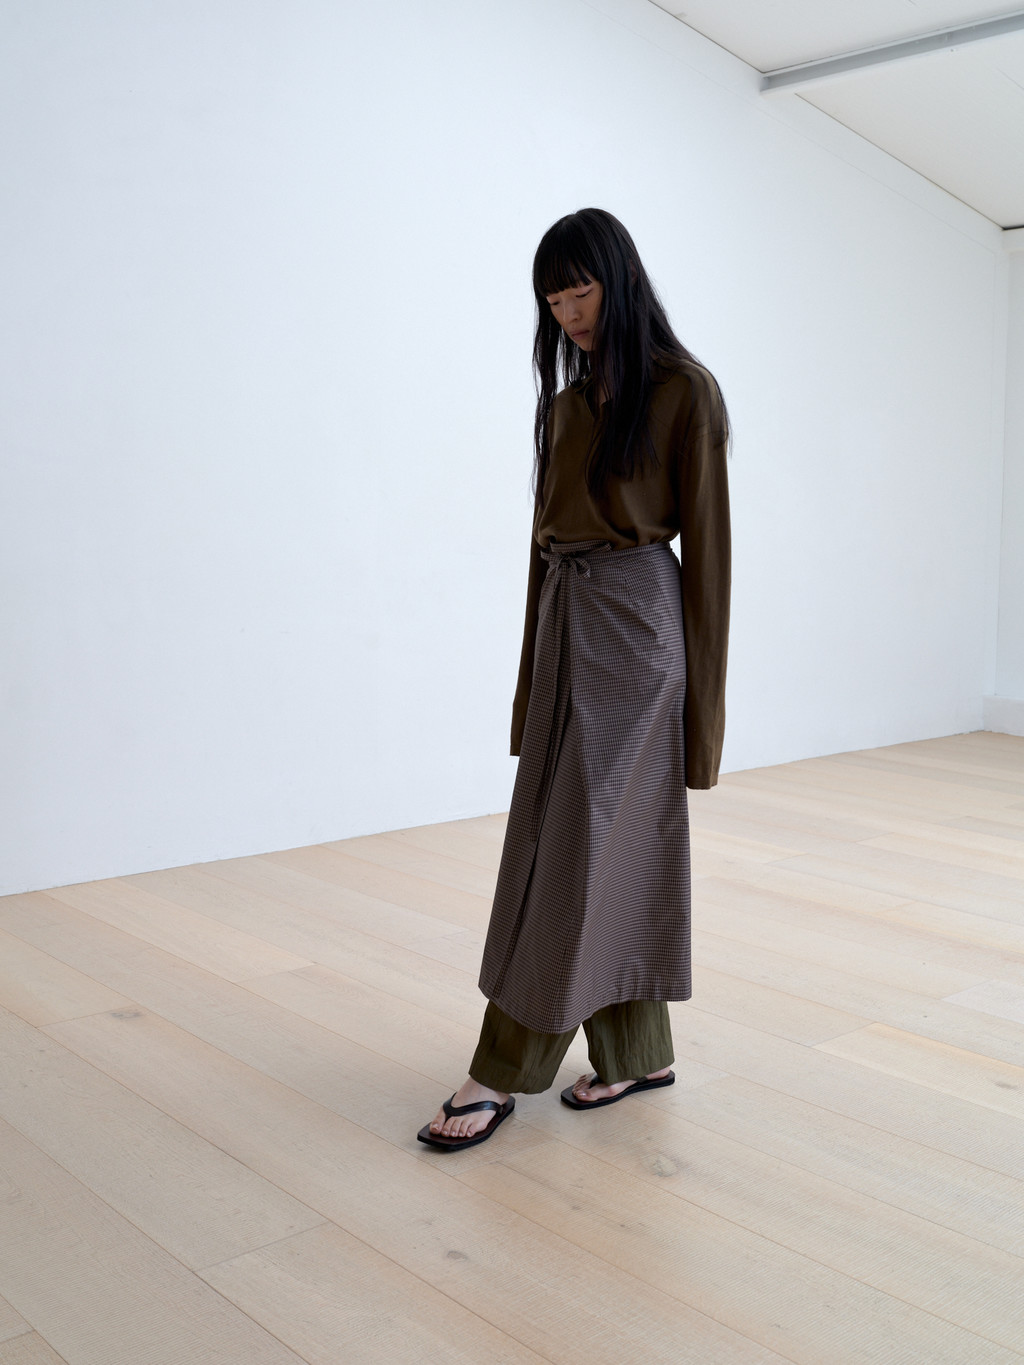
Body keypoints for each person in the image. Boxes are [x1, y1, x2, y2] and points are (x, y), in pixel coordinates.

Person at [417, 207, 732, 1151]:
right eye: (552, 301)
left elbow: (711, 562)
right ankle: (638, 1052)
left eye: (580, 292)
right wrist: (529, 692)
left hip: (636, 636)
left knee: (571, 857)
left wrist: (702, 727)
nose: (567, 315)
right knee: (596, 846)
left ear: (618, 280)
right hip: (566, 626)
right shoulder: (564, 404)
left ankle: (500, 1069)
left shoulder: (684, 392)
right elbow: (540, 555)